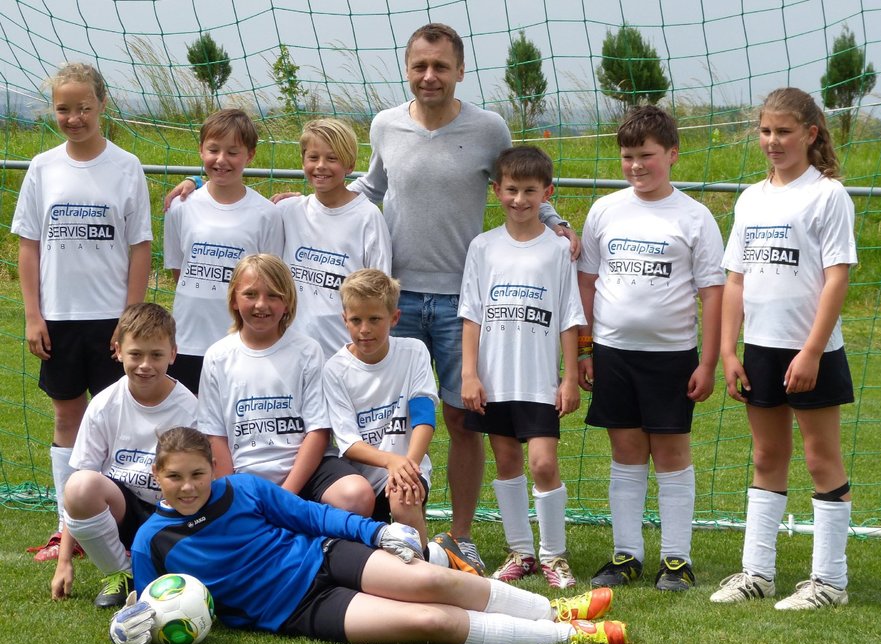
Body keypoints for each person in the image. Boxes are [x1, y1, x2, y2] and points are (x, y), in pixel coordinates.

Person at [165, 24, 579, 570]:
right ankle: (373, 522)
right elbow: (370, 187)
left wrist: (554, 219)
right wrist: (314, 193)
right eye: (420, 66)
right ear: (407, 69)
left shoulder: (489, 127)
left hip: (461, 300)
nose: (429, 76)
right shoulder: (386, 125)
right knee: (375, 416)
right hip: (394, 302)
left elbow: (518, 176)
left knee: (460, 420)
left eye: (441, 66)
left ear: (460, 70)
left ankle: (460, 535)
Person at [110, 426, 628, 644]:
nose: (188, 487)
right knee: (429, 621)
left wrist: (378, 529)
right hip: (295, 611)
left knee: (430, 581)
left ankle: (555, 610)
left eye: (197, 474)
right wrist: (132, 625)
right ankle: (568, 637)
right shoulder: (152, 541)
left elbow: (315, 516)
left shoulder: (244, 489)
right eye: (174, 477)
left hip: (324, 556)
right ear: (157, 475)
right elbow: (151, 606)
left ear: (212, 468)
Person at [710, 88, 857, 610]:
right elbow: (735, 280)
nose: (773, 141)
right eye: (766, 131)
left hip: (812, 351)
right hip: (761, 350)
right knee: (766, 455)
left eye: (784, 132)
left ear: (811, 134)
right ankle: (758, 573)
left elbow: (837, 278)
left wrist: (812, 351)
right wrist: (729, 351)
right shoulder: (751, 198)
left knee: (821, 459)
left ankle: (830, 583)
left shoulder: (828, 195)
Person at [577, 106, 724, 592]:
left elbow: (713, 293)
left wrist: (708, 361)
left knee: (671, 452)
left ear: (673, 154)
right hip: (613, 353)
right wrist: (585, 349)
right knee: (625, 450)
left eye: (647, 155)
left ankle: (677, 560)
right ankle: (627, 555)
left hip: (672, 357)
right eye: (628, 156)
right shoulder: (605, 210)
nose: (636, 165)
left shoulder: (694, 216)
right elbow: (587, 282)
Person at [12, 62, 152, 561]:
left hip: (112, 319)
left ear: (102, 104)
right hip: (59, 318)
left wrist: (129, 319)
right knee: (67, 415)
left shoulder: (127, 166)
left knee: (120, 418)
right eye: (63, 109)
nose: (74, 118)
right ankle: (65, 525)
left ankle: (123, 520)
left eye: (84, 108)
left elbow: (140, 247)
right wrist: (34, 315)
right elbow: (29, 246)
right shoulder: (43, 167)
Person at [459, 147, 585, 589]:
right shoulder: (483, 247)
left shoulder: (558, 250)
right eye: (511, 190)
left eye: (530, 191)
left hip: (538, 380)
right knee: (507, 461)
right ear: (496, 190)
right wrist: (469, 374)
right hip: (495, 379)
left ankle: (553, 555)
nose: (519, 199)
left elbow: (569, 317)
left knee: (544, 464)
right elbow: (472, 315)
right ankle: (521, 552)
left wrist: (569, 378)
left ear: (546, 193)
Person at [197, 254, 374, 515]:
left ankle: (321, 537)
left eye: (273, 295)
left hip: (305, 471)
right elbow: (215, 435)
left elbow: (318, 431)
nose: (261, 304)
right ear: (234, 299)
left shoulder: (307, 350)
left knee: (356, 495)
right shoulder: (217, 356)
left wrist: (284, 498)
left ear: (288, 301)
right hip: (247, 474)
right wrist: (233, 495)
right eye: (250, 294)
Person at [49, 303, 196, 607]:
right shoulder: (104, 405)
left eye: (156, 355)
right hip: (124, 513)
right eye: (136, 354)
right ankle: (121, 572)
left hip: (173, 515)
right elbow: (76, 489)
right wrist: (64, 561)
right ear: (118, 351)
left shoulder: (190, 409)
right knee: (80, 486)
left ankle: (172, 562)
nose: (145, 365)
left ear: (173, 353)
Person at [323, 268, 469, 572]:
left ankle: (425, 576)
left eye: (375, 319)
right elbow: (349, 444)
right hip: (364, 481)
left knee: (404, 496)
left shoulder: (413, 352)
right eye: (356, 320)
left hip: (409, 465)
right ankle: (441, 555)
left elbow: (424, 416)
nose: (365, 329)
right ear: (344, 320)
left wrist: (408, 467)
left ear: (395, 318)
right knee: (376, 559)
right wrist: (392, 462)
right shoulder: (335, 370)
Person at [164, 108, 284, 394]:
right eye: (213, 150)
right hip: (187, 340)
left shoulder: (266, 214)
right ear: (200, 150)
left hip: (239, 340)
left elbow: (271, 282)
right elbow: (179, 269)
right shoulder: (180, 206)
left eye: (232, 152)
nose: (221, 160)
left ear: (250, 155)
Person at [279, 118, 391, 358]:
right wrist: (196, 183)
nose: (321, 166)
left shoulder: (367, 217)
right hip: (292, 351)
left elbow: (380, 290)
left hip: (345, 354)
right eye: (313, 157)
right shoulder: (288, 211)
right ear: (303, 161)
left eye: (332, 158)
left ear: (350, 165)